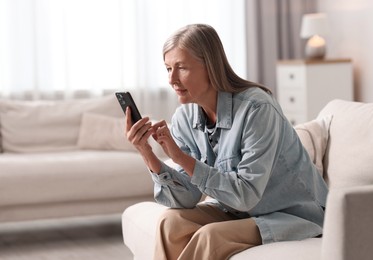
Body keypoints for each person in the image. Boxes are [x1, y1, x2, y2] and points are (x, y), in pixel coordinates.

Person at [125, 24, 328, 260]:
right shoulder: (184, 118)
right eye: (168, 68)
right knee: (170, 223)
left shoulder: (257, 108)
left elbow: (246, 194)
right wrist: (147, 152)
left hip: (292, 214)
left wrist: (180, 157)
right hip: (237, 211)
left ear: (210, 66)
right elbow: (186, 198)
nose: (172, 79)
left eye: (181, 68)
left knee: (210, 237)